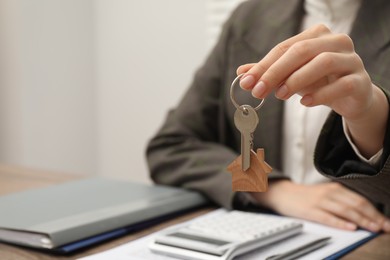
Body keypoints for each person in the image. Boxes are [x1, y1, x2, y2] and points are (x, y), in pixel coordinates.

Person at [146, 0, 390, 233]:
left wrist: (371, 119)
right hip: (259, 230)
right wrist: (272, 187)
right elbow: (171, 146)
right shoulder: (249, 17)